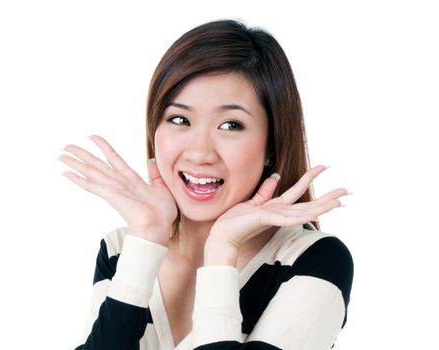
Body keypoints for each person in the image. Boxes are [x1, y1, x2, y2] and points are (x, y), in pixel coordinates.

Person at [59, 19, 354, 350]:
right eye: (180, 119)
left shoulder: (313, 259)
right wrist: (146, 240)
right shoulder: (123, 248)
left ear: (272, 145)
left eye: (230, 125)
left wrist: (221, 250)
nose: (199, 153)